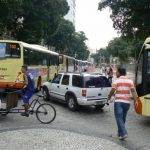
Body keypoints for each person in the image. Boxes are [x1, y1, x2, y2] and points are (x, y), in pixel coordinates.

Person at [107, 66, 138, 140]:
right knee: (122, 118)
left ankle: (124, 133)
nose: (116, 73)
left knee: (118, 118)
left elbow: (112, 90)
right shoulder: (130, 81)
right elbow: (133, 91)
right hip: (127, 103)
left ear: (119, 72)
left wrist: (109, 96)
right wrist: (136, 100)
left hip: (118, 102)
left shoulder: (116, 80)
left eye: (117, 72)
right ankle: (120, 134)